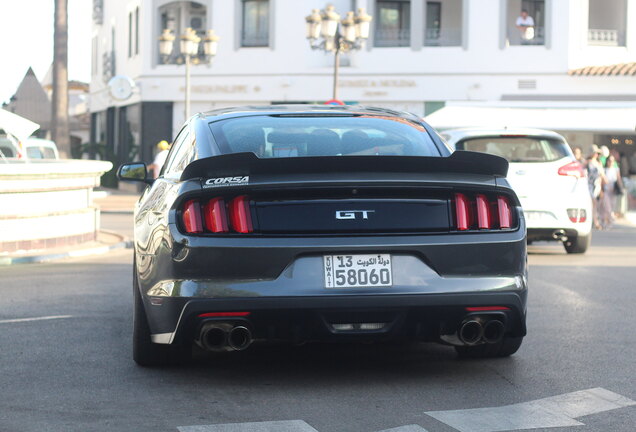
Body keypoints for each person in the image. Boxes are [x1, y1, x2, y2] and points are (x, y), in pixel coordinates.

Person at [586, 149, 605, 230]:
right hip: (588, 185)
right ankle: (595, 222)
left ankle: (595, 221)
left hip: (596, 186)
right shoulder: (587, 162)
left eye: (597, 153)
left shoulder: (599, 164)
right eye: (594, 153)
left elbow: (602, 176)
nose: (596, 155)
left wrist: (602, 188)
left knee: (595, 205)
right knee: (592, 203)